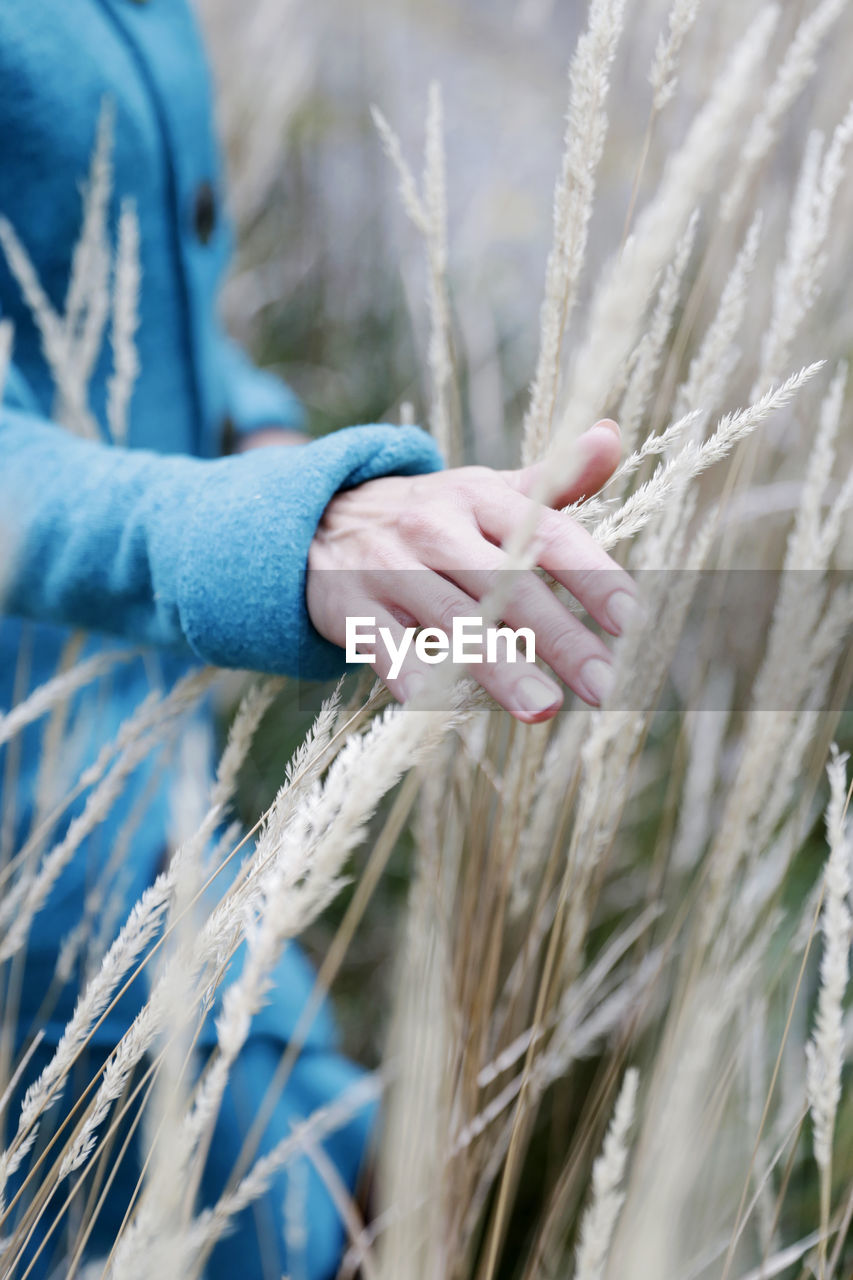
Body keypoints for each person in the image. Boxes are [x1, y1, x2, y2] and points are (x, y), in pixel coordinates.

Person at [0, 2, 636, 1276]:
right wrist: (279, 535)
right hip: (31, 903)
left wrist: (269, 446)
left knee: (353, 1202)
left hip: (154, 818)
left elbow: (89, 293)